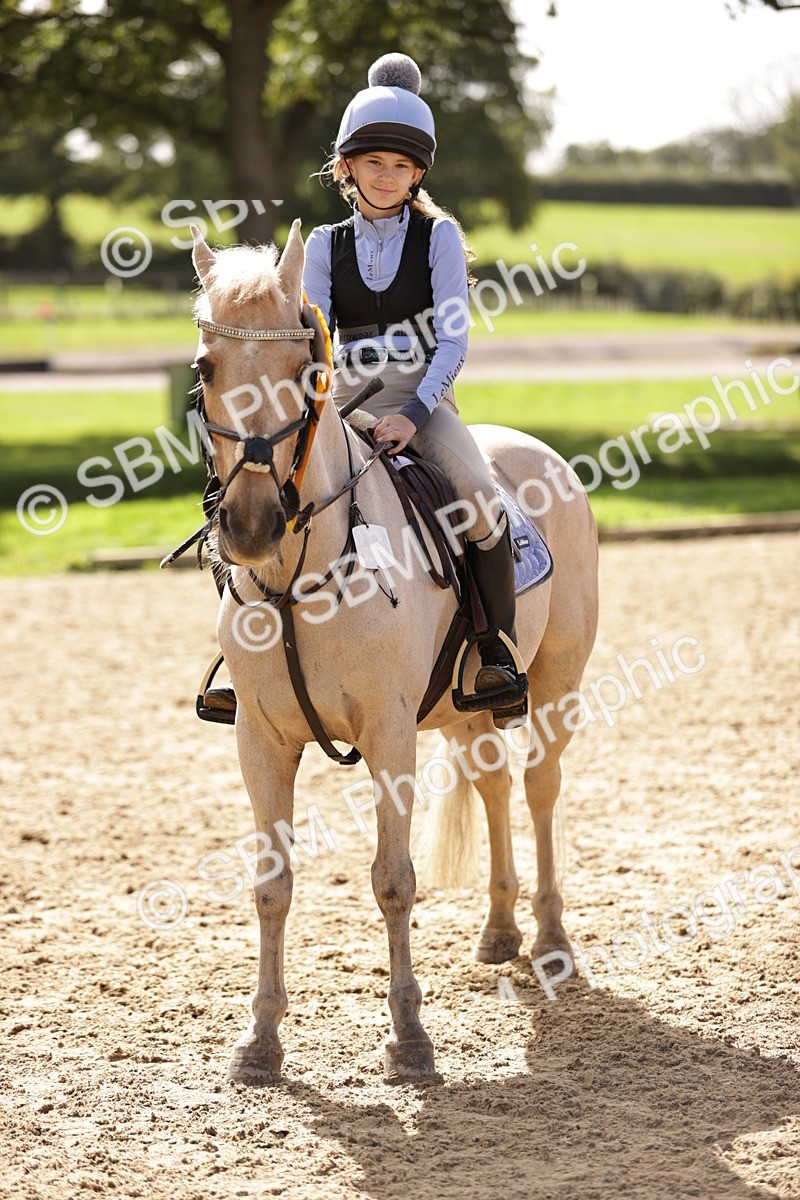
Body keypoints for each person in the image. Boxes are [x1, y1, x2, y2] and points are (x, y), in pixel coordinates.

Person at [204, 53, 527, 728]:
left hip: (422, 400)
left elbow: (453, 342)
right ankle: (235, 656)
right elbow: (315, 336)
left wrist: (413, 414)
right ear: (346, 168)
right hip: (341, 399)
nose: (388, 177)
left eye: (402, 167)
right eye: (374, 163)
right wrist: (322, 407)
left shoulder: (438, 238)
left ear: (418, 175)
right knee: (253, 484)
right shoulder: (323, 243)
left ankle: (494, 649)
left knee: (477, 497)